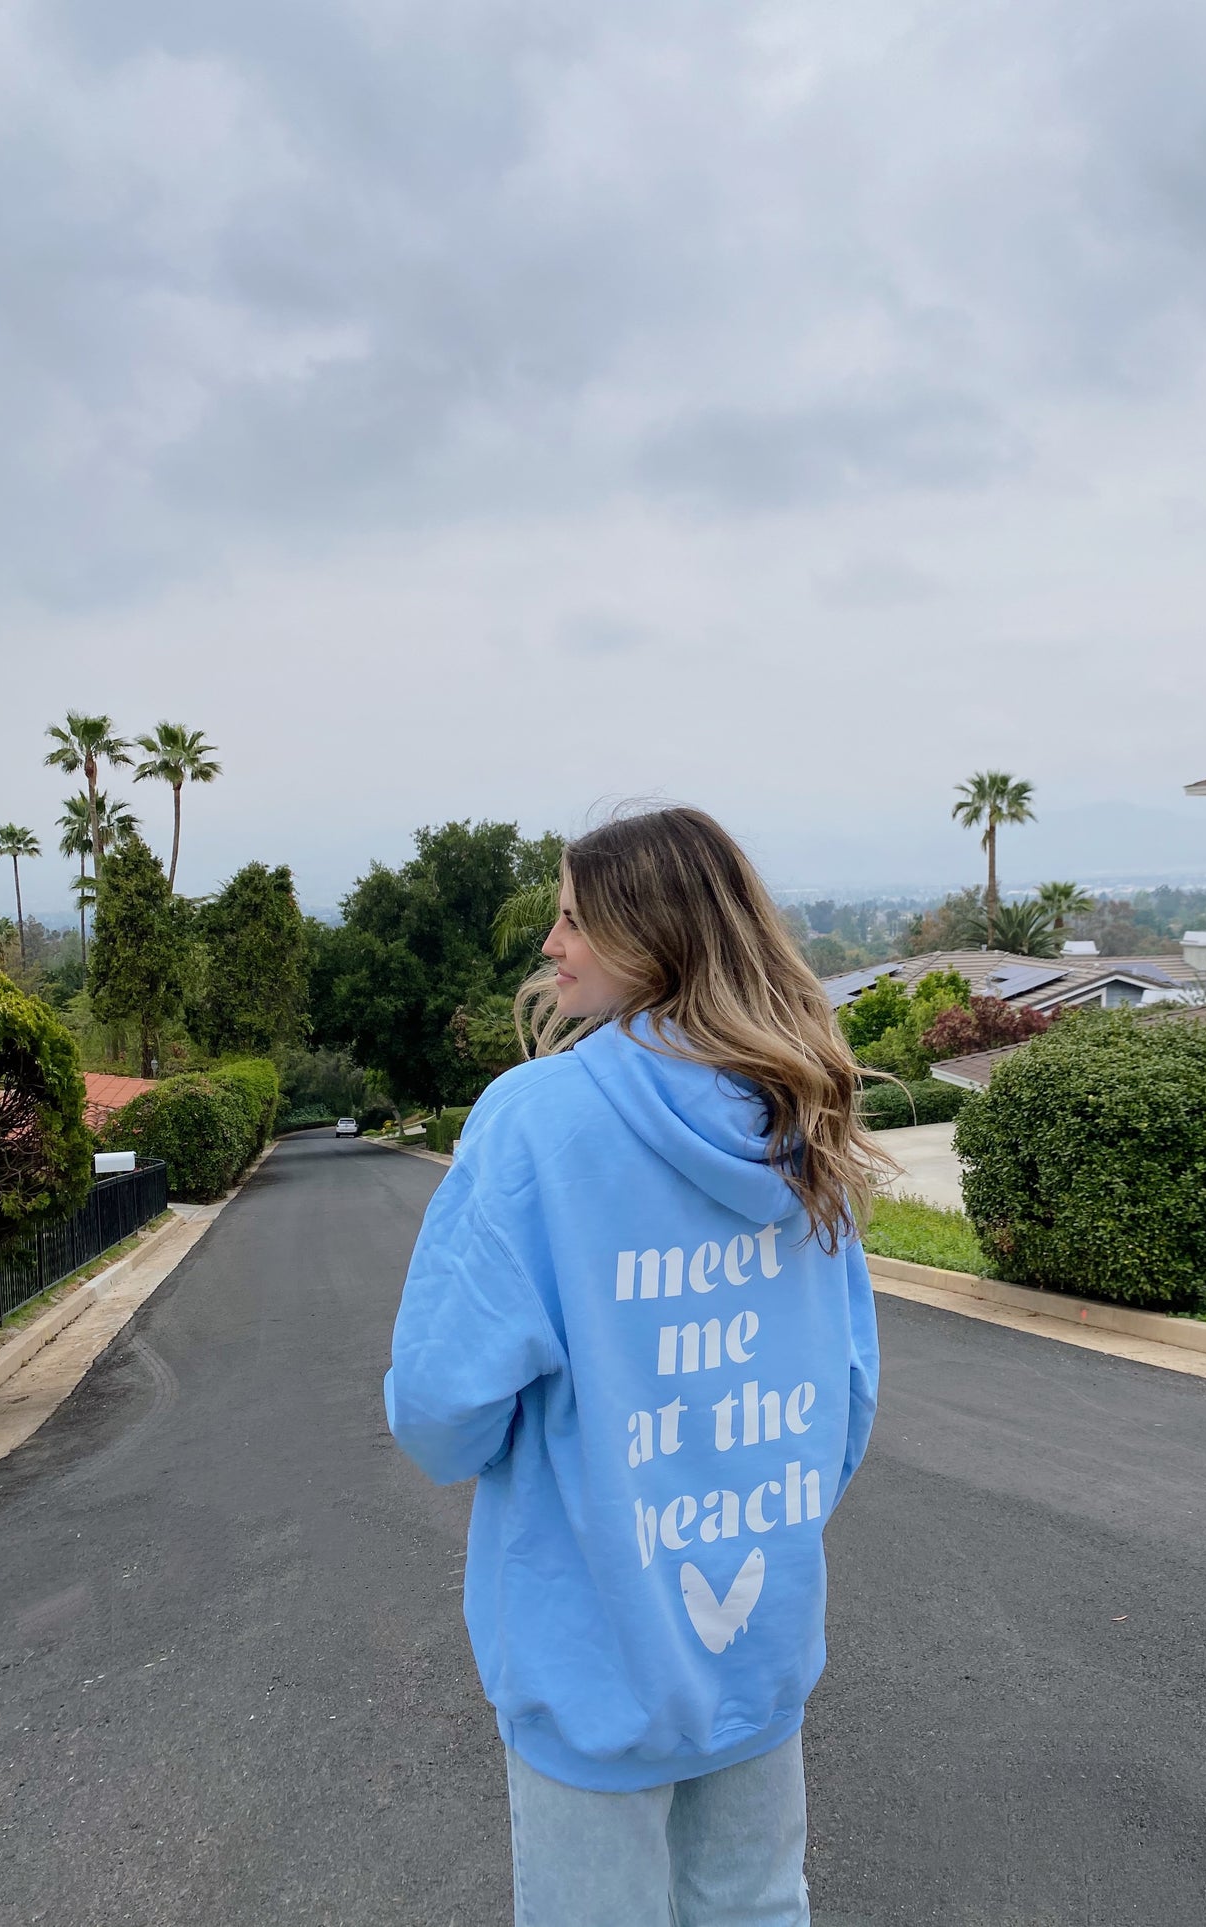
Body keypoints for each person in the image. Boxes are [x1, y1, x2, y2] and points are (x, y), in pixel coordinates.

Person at [384, 807, 887, 1926]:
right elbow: (845, 1393)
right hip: (757, 1637)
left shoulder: (532, 1122)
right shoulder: (794, 1109)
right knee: (758, 1904)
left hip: (589, 1646)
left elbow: (436, 1411)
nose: (550, 944)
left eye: (573, 918)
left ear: (648, 935)